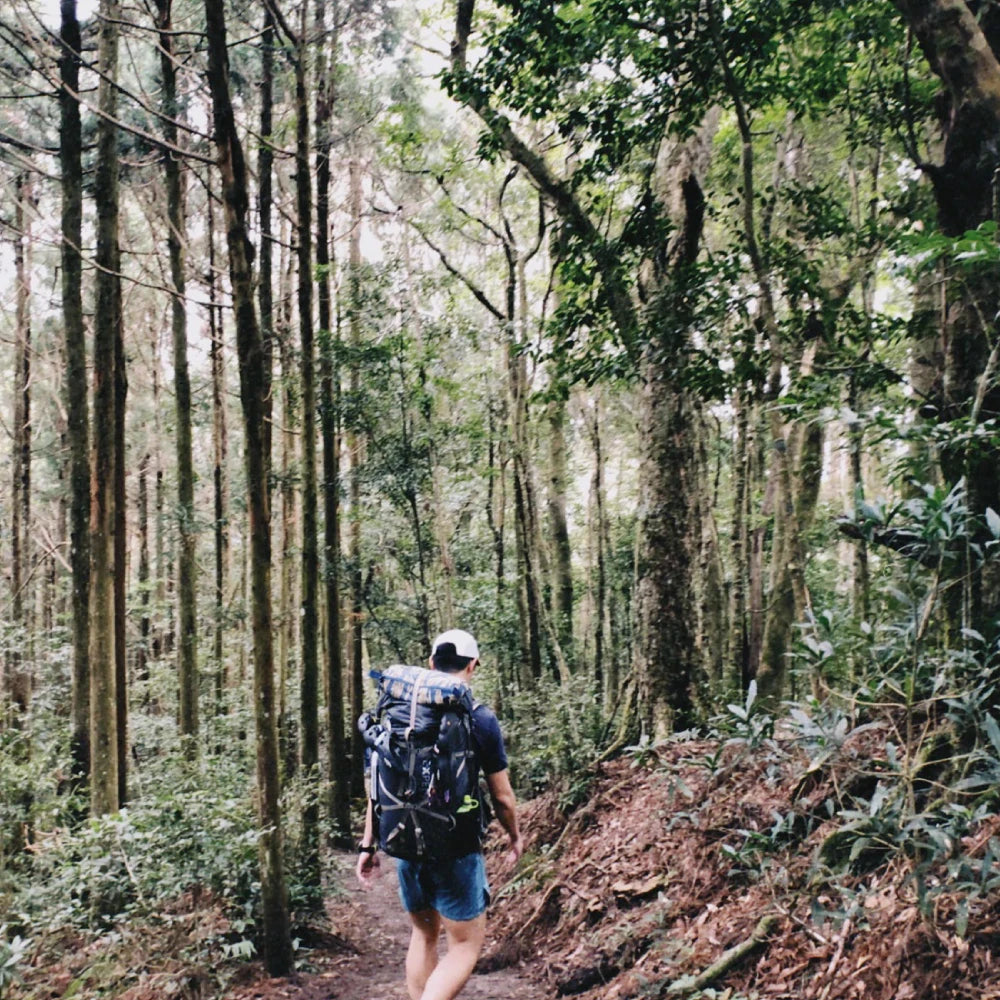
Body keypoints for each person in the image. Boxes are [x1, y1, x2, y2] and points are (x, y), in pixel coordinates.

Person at [356, 628, 524, 1000]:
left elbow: (377, 788)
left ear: (431, 663)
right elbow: (502, 797)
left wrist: (368, 845)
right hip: (456, 847)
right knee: (463, 945)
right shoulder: (479, 718)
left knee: (423, 933)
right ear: (473, 665)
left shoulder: (399, 715)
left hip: (405, 841)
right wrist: (514, 835)